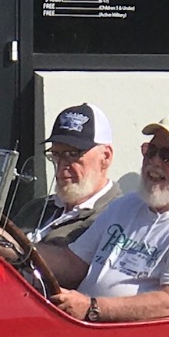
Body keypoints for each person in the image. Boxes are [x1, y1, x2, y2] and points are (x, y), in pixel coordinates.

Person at [33, 112, 169, 322]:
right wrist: (17, 250)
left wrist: (92, 307)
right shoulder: (126, 205)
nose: (154, 162)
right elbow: (73, 263)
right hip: (81, 326)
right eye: (150, 151)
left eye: (168, 156)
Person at [24, 102, 121, 245]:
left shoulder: (116, 217)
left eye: (73, 154)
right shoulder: (37, 207)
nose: (61, 165)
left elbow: (73, 259)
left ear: (105, 157)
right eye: (56, 154)